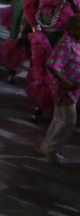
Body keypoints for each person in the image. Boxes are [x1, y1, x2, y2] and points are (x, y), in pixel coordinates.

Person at [41, 15, 80, 165]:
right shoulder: (66, 44)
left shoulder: (75, 42)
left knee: (59, 119)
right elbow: (52, 65)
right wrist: (67, 83)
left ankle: (47, 147)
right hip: (64, 89)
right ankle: (51, 149)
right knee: (68, 122)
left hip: (72, 89)